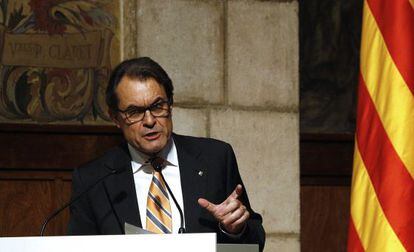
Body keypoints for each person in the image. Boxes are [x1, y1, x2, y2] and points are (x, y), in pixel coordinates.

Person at [67, 57, 265, 251]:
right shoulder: (93, 180)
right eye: (134, 112)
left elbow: (255, 240)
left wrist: (235, 229)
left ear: (170, 105)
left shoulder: (215, 159)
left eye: (157, 106)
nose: (150, 120)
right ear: (116, 118)